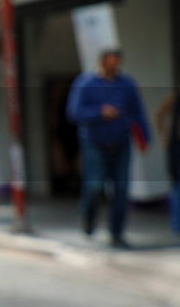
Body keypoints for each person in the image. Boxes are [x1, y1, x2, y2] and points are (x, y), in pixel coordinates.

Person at [65, 49, 151, 248]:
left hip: (121, 143)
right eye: (109, 63)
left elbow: (137, 111)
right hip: (94, 143)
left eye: (116, 63)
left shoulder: (127, 84)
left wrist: (144, 138)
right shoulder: (85, 83)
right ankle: (88, 218)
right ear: (101, 63)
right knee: (95, 186)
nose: (112, 66)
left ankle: (117, 233)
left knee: (121, 190)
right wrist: (100, 112)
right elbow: (74, 112)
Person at [154, 87, 180, 233]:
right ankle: (177, 224)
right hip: (176, 148)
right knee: (177, 186)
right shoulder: (175, 99)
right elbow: (159, 114)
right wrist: (163, 135)